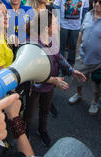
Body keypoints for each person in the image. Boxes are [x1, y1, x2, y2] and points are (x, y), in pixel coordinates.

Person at [24, 11, 86, 146]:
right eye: (56, 24)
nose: (59, 27)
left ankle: (42, 130)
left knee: (45, 110)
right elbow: (32, 72)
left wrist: (71, 70)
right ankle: (25, 133)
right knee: (29, 112)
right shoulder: (32, 44)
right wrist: (53, 80)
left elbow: (59, 57)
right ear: (46, 27)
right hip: (34, 87)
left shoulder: (50, 40)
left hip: (50, 86)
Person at [53, 0, 90, 66]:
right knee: (61, 46)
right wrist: (57, 23)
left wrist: (82, 23)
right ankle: (60, 64)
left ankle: (70, 65)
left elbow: (85, 9)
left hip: (76, 26)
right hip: (63, 25)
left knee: (73, 47)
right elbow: (56, 7)